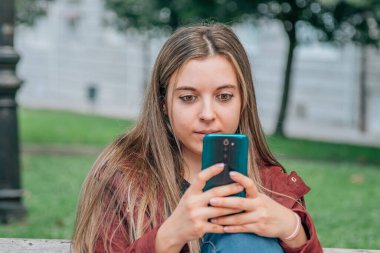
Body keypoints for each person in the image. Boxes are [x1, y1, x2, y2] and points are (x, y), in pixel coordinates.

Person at [72, 23, 323, 253]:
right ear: (163, 104)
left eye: (223, 96)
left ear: (242, 101)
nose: (207, 114)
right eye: (188, 98)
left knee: (247, 239)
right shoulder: (125, 176)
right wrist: (167, 238)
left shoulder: (269, 182)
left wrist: (292, 229)